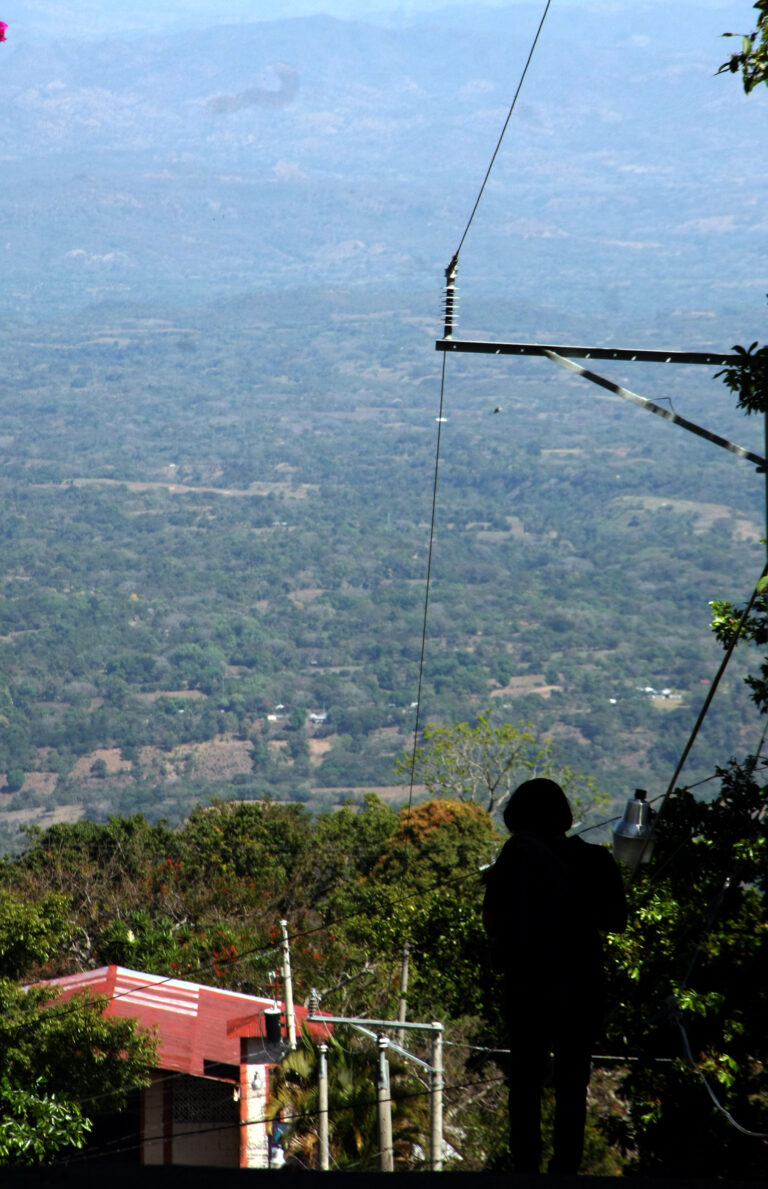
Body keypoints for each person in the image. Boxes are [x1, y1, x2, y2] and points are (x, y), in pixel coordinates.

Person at [482, 778, 627, 1175]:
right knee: (572, 1079)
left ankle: (526, 1163)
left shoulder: (516, 856)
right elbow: (618, 921)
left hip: (527, 983)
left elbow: (491, 919)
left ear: (518, 819)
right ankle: (566, 1166)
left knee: (526, 1077)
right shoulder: (597, 860)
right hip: (581, 983)